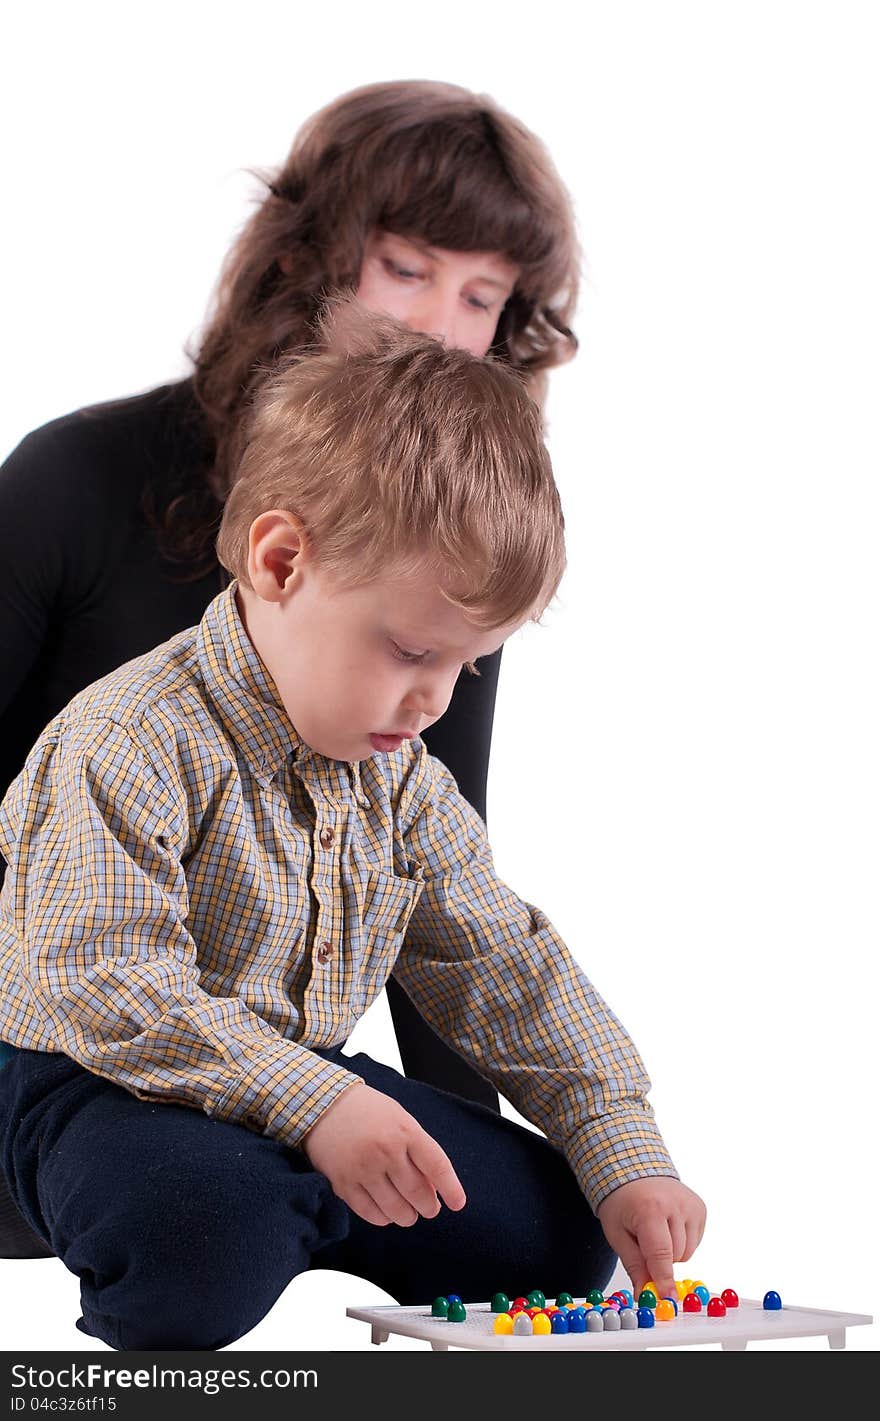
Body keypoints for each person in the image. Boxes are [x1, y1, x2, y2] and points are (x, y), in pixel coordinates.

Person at [0, 299, 706, 1351]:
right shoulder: (126, 736)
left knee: (563, 1240)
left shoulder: (402, 782)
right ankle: (260, 1205)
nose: (435, 700)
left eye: (465, 666)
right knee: (193, 1238)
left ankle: (304, 1202)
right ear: (282, 562)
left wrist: (623, 1147)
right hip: (102, 1082)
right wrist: (319, 1106)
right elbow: (111, 984)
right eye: (412, 651)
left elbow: (505, 968)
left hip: (305, 1083)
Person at [0, 85, 582, 1223]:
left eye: (482, 296)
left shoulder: (440, 573)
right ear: (306, 264)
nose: (435, 325)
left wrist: (465, 1182)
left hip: (263, 1070)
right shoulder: (70, 479)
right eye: (408, 268)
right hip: (54, 1038)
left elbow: (436, 876)